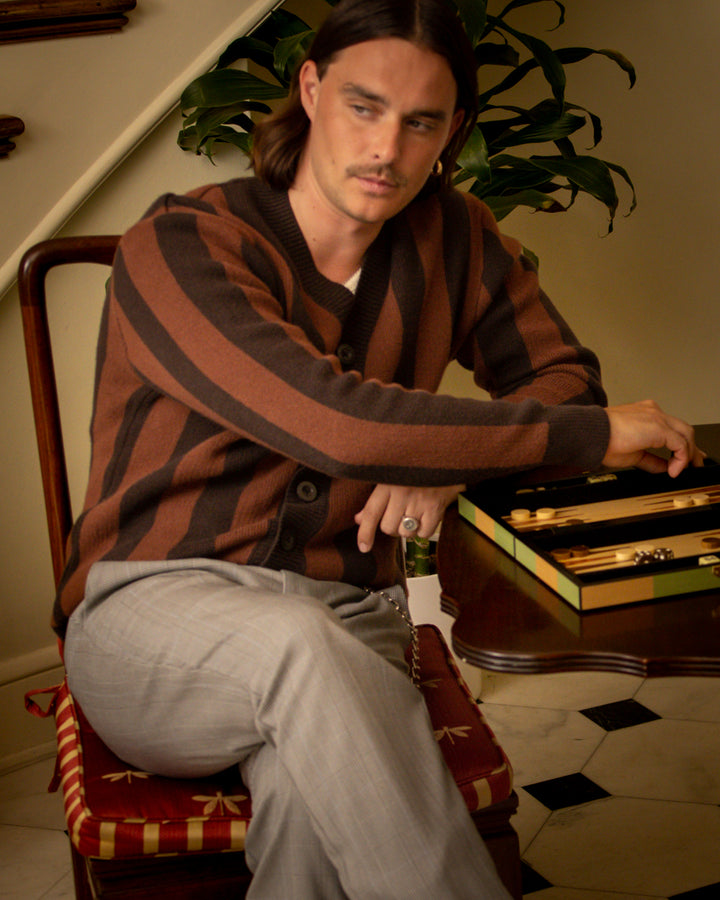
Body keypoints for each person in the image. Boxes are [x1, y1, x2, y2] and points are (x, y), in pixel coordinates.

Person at [59, 0, 703, 897]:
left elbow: (561, 381)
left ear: (452, 133)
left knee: (314, 795)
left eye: (421, 123)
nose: (388, 149)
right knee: (299, 649)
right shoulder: (180, 246)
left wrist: (444, 466)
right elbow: (337, 421)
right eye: (364, 106)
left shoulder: (457, 238)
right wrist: (586, 438)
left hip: (349, 624)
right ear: (312, 90)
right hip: (153, 619)